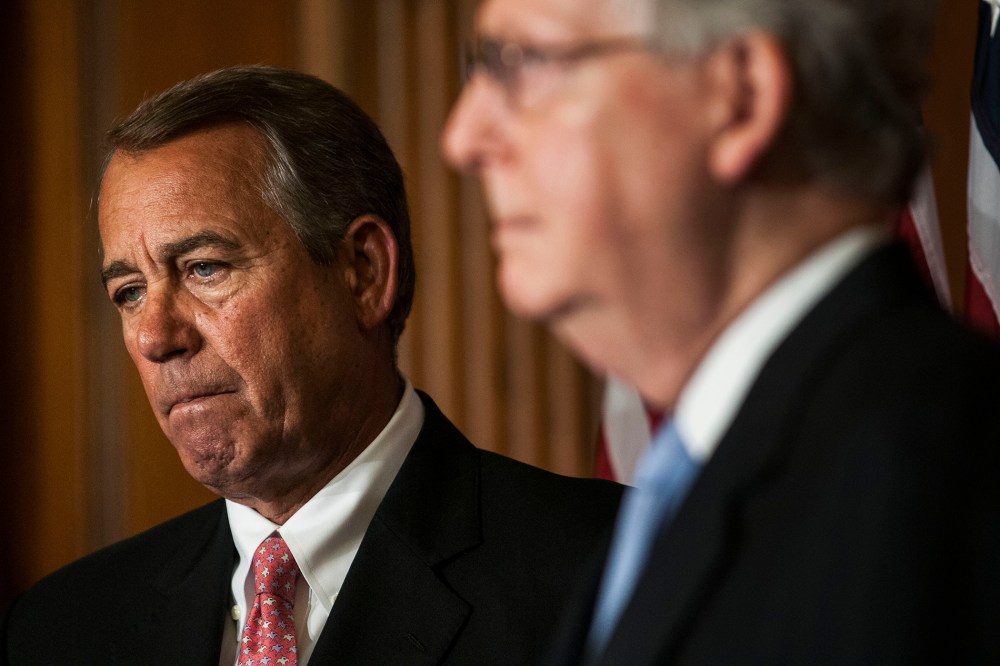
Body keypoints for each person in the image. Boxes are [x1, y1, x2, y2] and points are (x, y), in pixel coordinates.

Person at [2, 65, 622, 665]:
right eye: (130, 292)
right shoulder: (61, 627)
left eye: (205, 268)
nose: (155, 337)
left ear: (363, 273)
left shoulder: (610, 573)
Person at [443, 0, 1000, 663]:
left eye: (521, 63)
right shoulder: (702, 476)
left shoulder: (929, 474)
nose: (463, 137)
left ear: (740, 96)